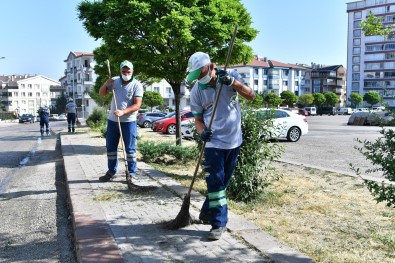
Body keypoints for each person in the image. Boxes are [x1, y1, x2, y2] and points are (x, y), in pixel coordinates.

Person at [186, 51, 256, 240]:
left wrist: (233, 83)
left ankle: (207, 212)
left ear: (210, 67)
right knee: (215, 183)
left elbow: (251, 96)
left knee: (223, 183)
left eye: (200, 73)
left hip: (234, 141)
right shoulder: (197, 91)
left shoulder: (231, 77)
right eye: (195, 76)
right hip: (213, 143)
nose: (199, 78)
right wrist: (202, 133)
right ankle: (218, 224)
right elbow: (198, 120)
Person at [98, 60, 143, 182]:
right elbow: (101, 94)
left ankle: (132, 173)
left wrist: (123, 112)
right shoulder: (114, 81)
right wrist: (106, 84)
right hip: (113, 121)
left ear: (132, 71)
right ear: (120, 71)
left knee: (130, 149)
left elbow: (137, 105)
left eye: (128, 71)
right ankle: (112, 171)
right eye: (124, 71)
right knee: (111, 147)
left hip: (129, 121)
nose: (126, 73)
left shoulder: (137, 85)